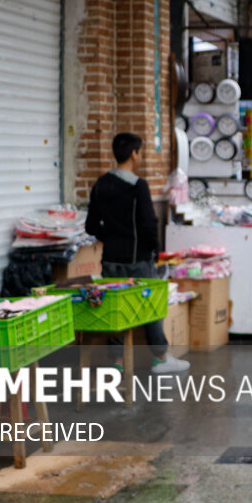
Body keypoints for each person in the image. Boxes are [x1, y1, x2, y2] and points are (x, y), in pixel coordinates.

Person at [86, 133, 189, 374]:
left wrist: (110, 238)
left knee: (114, 309)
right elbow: (148, 224)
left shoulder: (100, 185)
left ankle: (116, 363)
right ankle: (161, 357)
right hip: (137, 259)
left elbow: (91, 226)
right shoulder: (138, 186)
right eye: (141, 152)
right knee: (150, 306)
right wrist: (154, 251)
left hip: (110, 259)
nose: (140, 156)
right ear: (134, 153)